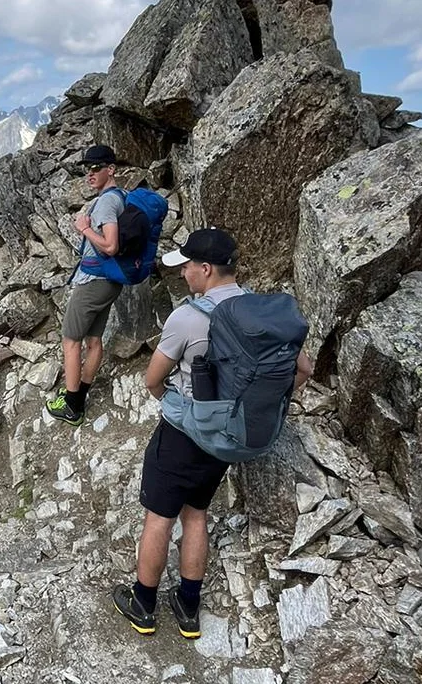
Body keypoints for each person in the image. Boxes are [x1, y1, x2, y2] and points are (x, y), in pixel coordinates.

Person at [111, 228, 312, 637]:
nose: (183, 273)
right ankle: (187, 610)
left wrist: (172, 400)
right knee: (196, 514)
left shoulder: (189, 316)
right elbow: (304, 369)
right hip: (229, 439)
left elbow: (153, 379)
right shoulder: (261, 313)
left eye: (187, 266)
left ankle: (143, 604)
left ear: (205, 269)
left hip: (183, 434)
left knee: (159, 518)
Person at [45, 144, 150, 426]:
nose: (89, 174)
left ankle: (70, 405)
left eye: (95, 168)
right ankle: (79, 399)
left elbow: (111, 245)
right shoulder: (121, 197)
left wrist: (84, 228)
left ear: (110, 169)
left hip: (94, 281)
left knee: (70, 341)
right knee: (93, 342)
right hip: (109, 282)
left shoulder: (105, 202)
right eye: (86, 169)